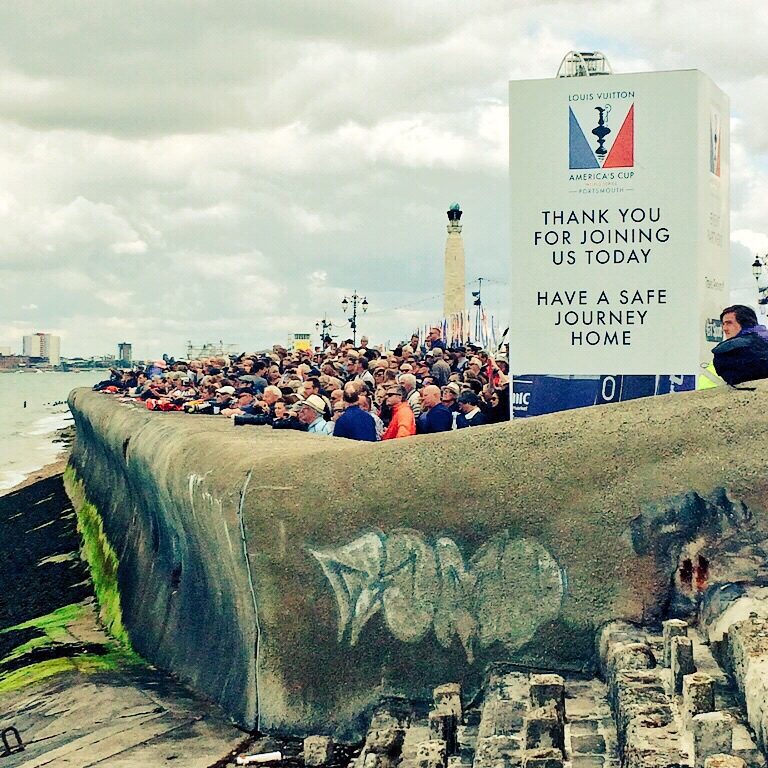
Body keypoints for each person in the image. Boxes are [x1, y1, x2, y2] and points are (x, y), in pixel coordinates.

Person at [712, 304, 768, 385]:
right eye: (723, 324)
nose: (724, 328)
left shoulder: (732, 349)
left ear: (745, 323)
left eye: (729, 323)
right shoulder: (763, 338)